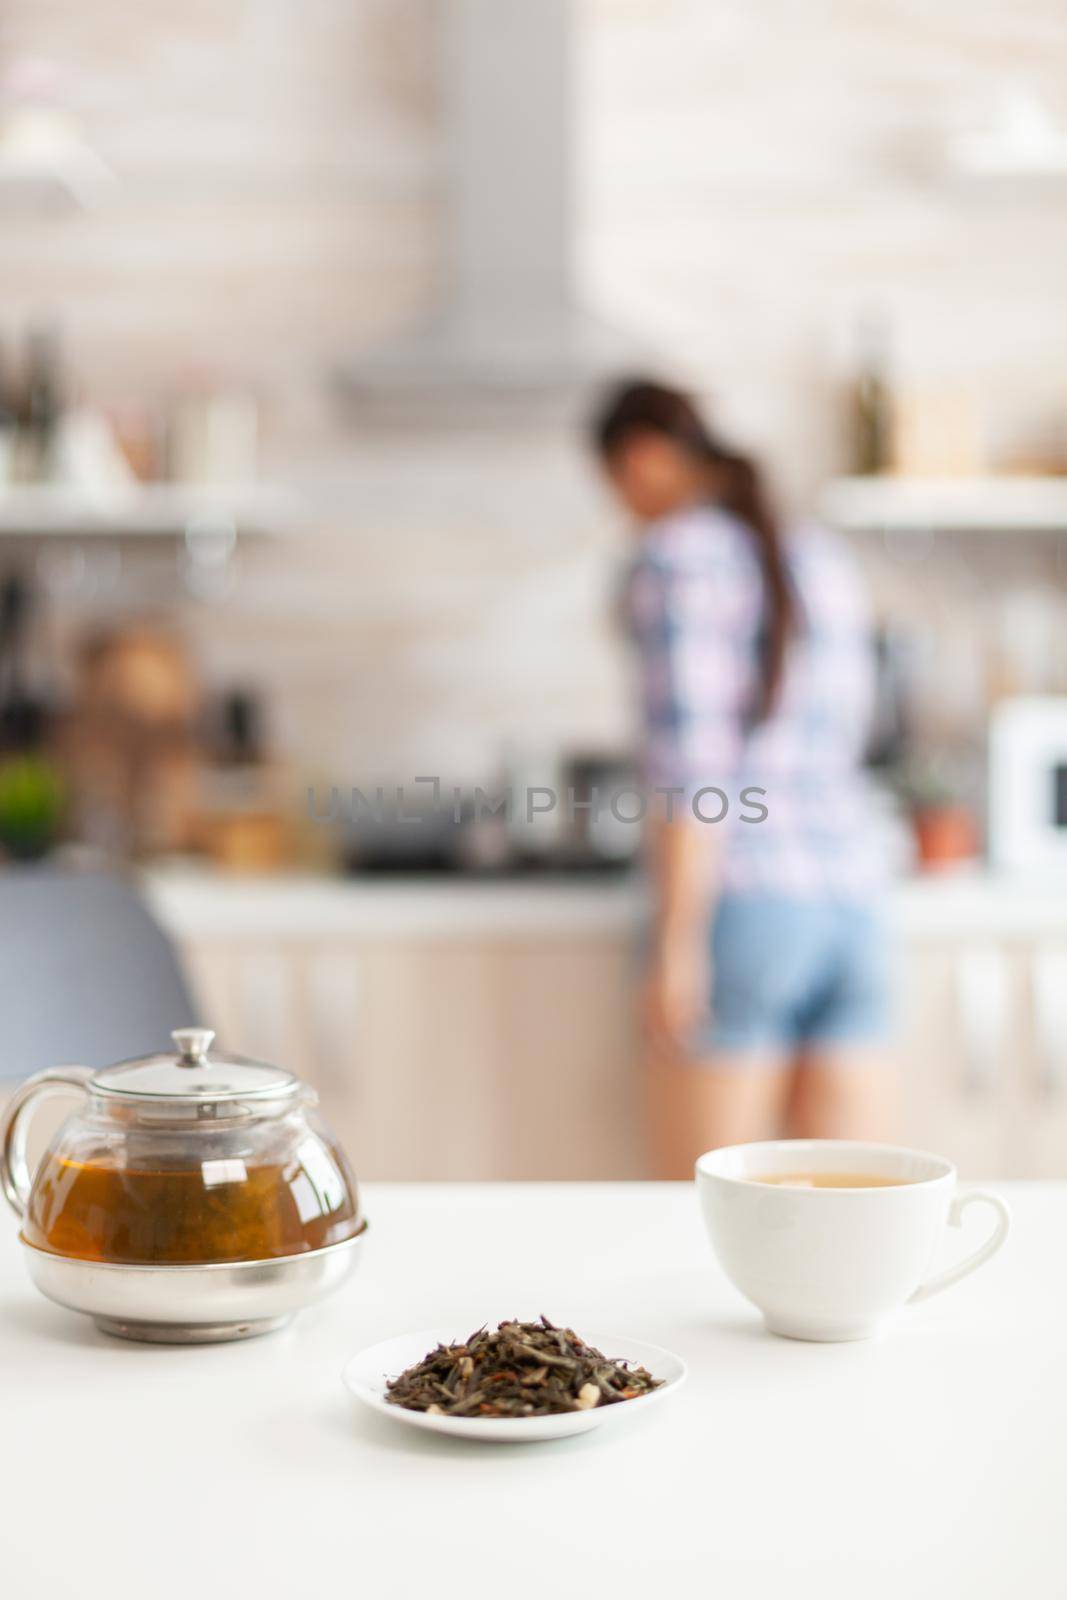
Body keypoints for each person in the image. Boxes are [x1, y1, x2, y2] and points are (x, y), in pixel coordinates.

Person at [591, 378, 891, 1177]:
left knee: (695, 1220)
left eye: (616, 487)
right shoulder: (818, 553)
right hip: (852, 903)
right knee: (845, 1220)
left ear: (645, 458)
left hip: (748, 907)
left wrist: (676, 945)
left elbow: (696, 775)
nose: (624, 508)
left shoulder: (674, 557)